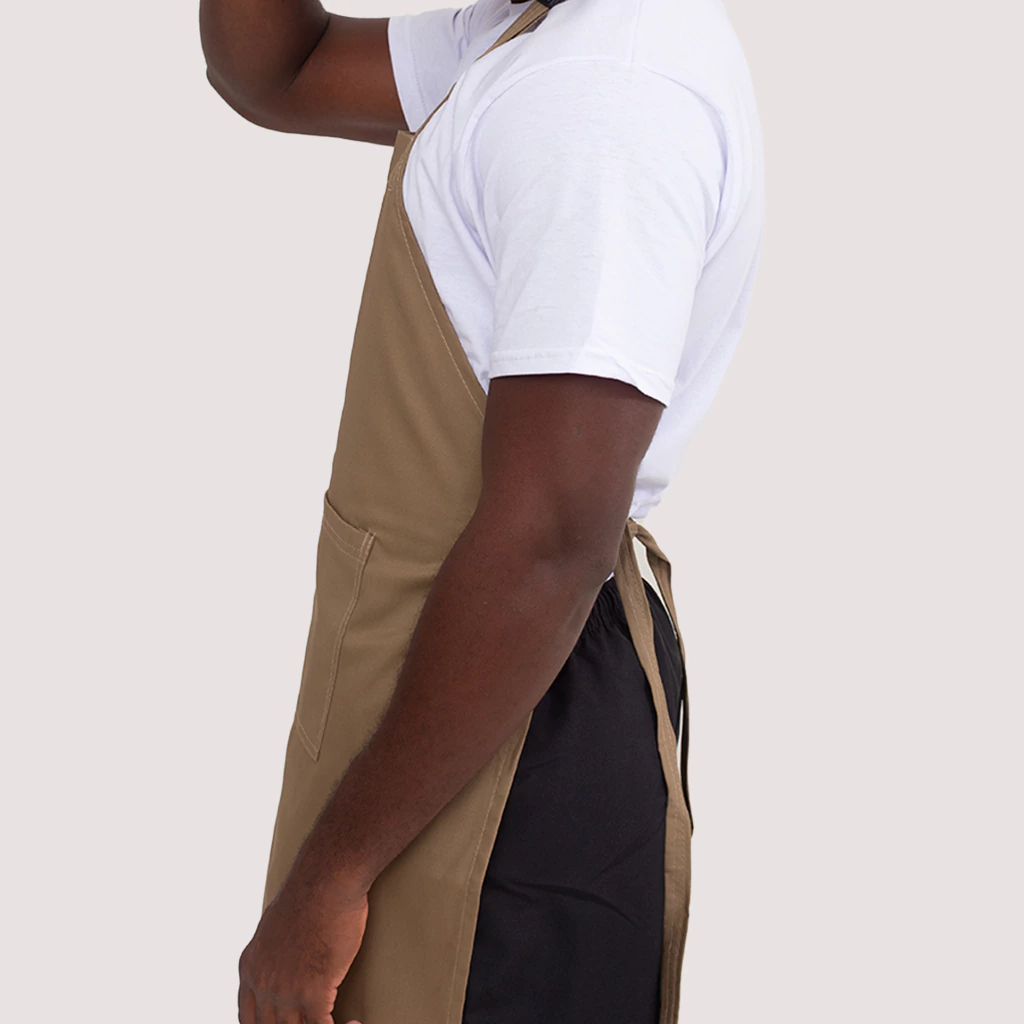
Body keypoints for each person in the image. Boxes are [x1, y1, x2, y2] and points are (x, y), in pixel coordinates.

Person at [199, 0, 764, 1020]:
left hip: (506, 749)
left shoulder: (602, 95)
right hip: (450, 707)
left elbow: (550, 542)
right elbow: (280, 69)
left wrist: (328, 880)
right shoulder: (529, 37)